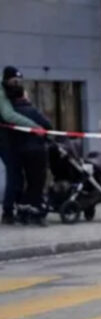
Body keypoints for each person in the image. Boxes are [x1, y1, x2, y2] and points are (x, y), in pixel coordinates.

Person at [5, 68, 51, 226]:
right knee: (37, 181)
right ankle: (35, 212)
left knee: (23, 180)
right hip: (36, 151)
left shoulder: (13, 111)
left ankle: (21, 209)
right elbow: (47, 126)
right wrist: (42, 132)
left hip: (19, 150)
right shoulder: (30, 110)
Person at [0, 66, 40, 225]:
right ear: (6, 80)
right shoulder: (1, 93)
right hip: (3, 140)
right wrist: (34, 126)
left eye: (19, 81)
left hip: (9, 139)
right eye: (14, 81)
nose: (17, 84)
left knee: (17, 174)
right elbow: (8, 115)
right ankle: (8, 212)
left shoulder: (8, 91)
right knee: (14, 174)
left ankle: (15, 207)